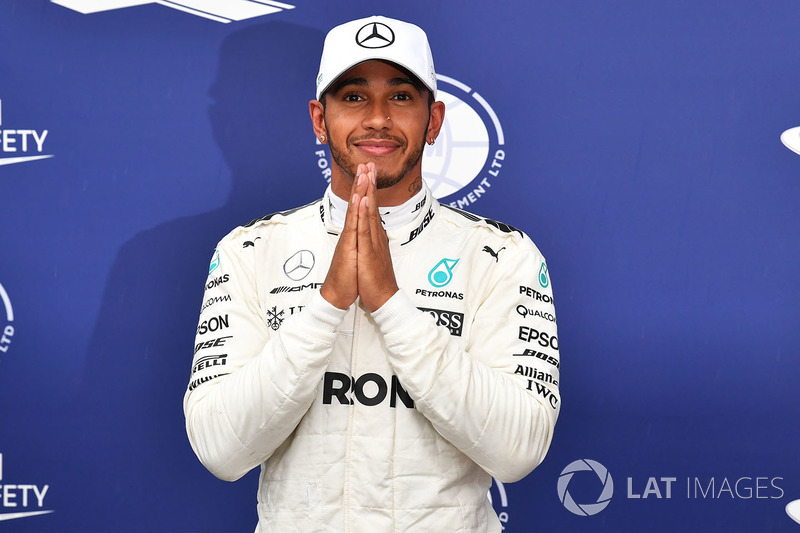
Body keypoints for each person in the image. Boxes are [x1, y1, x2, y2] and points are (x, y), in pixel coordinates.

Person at [184, 15, 560, 532]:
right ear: (320, 119)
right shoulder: (250, 251)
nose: (378, 118)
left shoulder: (500, 254)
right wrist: (328, 304)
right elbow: (220, 450)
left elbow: (519, 451)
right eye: (354, 97)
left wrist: (390, 303)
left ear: (434, 120)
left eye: (402, 97)